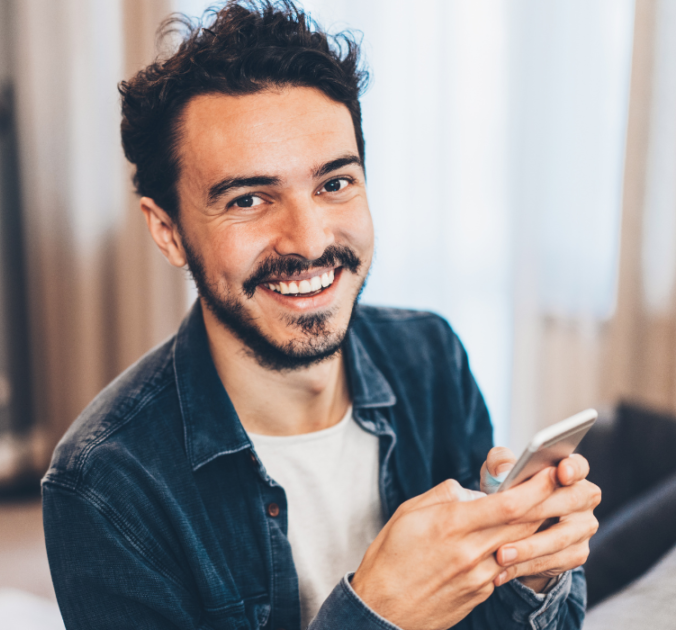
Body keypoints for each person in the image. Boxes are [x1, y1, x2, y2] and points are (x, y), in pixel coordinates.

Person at [42, 2, 601, 628]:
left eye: (334, 184)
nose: (308, 241)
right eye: (249, 198)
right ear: (168, 230)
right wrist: (375, 612)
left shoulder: (431, 356)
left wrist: (534, 572)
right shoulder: (104, 484)